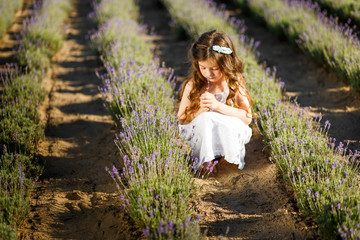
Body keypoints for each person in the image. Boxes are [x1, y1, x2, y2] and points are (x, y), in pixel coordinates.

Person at [177, 30, 253, 172]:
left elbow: (247, 117)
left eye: (214, 69)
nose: (208, 73)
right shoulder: (193, 85)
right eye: (203, 67)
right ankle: (205, 160)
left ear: (226, 64)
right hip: (201, 131)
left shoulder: (233, 82)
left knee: (221, 119)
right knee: (206, 118)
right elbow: (181, 118)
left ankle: (225, 158)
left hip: (227, 130)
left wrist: (217, 106)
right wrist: (199, 111)